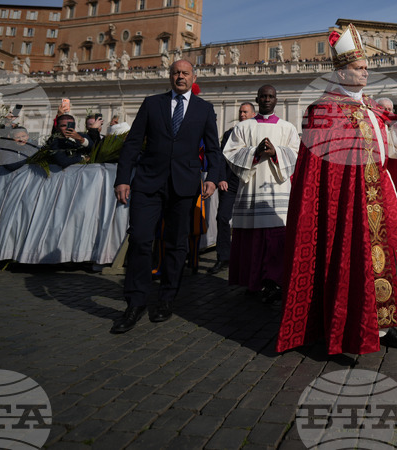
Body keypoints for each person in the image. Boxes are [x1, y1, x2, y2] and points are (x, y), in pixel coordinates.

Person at [277, 24, 397, 354]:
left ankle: (385, 326)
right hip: (345, 201)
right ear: (342, 72)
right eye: (359, 68)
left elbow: (393, 146)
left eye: (366, 68)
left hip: (379, 194)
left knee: (385, 263)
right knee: (351, 261)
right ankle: (344, 328)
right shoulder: (323, 110)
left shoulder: (373, 108)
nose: (365, 73)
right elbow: (321, 169)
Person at [111, 60, 224, 334]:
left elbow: (213, 149)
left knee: (176, 245)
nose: (180, 77)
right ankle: (135, 302)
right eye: (176, 73)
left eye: (185, 73)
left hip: (184, 186)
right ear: (169, 76)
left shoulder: (204, 109)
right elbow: (133, 143)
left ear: (193, 77)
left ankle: (166, 298)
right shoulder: (151, 104)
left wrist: (211, 177)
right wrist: (123, 178)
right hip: (148, 183)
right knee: (139, 240)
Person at [223, 86, 300, 302]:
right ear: (257, 99)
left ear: (276, 100)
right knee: (253, 241)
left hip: (279, 191)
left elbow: (296, 153)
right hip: (251, 191)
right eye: (263, 96)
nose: (267, 99)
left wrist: (276, 152)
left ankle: (276, 282)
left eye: (271, 96)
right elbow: (230, 153)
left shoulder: (288, 128)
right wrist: (254, 152)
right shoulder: (243, 127)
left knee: (277, 239)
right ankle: (253, 282)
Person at [210, 102, 256, 275]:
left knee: (249, 222)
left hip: (249, 184)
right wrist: (220, 178)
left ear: (253, 114)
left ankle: (248, 258)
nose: (242, 114)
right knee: (222, 217)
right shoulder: (230, 133)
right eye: (240, 112)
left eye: (245, 112)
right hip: (230, 183)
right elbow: (221, 158)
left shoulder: (259, 132)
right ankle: (223, 256)